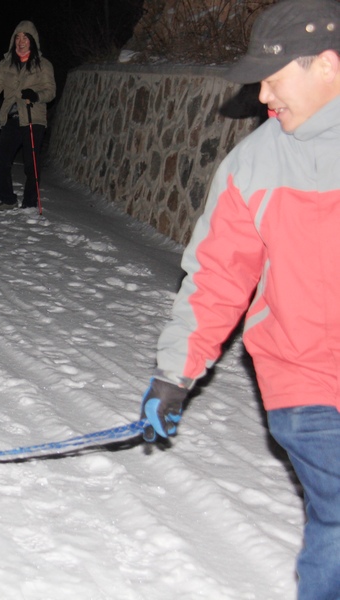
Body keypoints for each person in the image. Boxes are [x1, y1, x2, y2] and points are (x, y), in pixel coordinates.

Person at [139, 1, 340, 598]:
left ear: (326, 65)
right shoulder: (253, 164)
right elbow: (217, 276)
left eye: (272, 78)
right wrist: (174, 375)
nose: (261, 96)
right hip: (303, 380)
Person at [0, 20, 55, 211]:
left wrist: (36, 95)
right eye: (17, 37)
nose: (21, 41)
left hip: (33, 118)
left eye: (25, 37)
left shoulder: (43, 65)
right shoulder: (6, 64)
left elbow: (51, 92)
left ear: (32, 40)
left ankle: (30, 202)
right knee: (1, 163)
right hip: (11, 119)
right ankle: (8, 199)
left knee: (31, 165)